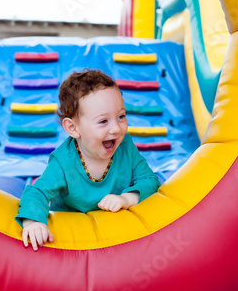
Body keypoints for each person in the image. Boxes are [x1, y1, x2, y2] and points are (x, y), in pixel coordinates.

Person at [16, 69, 161, 251]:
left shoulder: (125, 147)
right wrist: (33, 222)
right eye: (103, 121)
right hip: (74, 237)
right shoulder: (63, 162)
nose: (116, 129)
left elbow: (149, 180)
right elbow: (37, 192)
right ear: (73, 128)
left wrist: (126, 198)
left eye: (121, 116)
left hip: (114, 233)